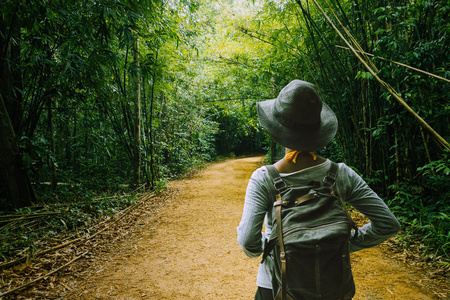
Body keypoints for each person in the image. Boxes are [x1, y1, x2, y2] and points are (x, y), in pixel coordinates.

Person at [237, 80, 401, 300]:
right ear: (318, 127)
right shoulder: (342, 174)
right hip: (332, 286)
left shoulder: (264, 178)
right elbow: (388, 224)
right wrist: (335, 244)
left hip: (277, 287)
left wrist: (279, 247)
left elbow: (249, 241)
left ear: (277, 127)